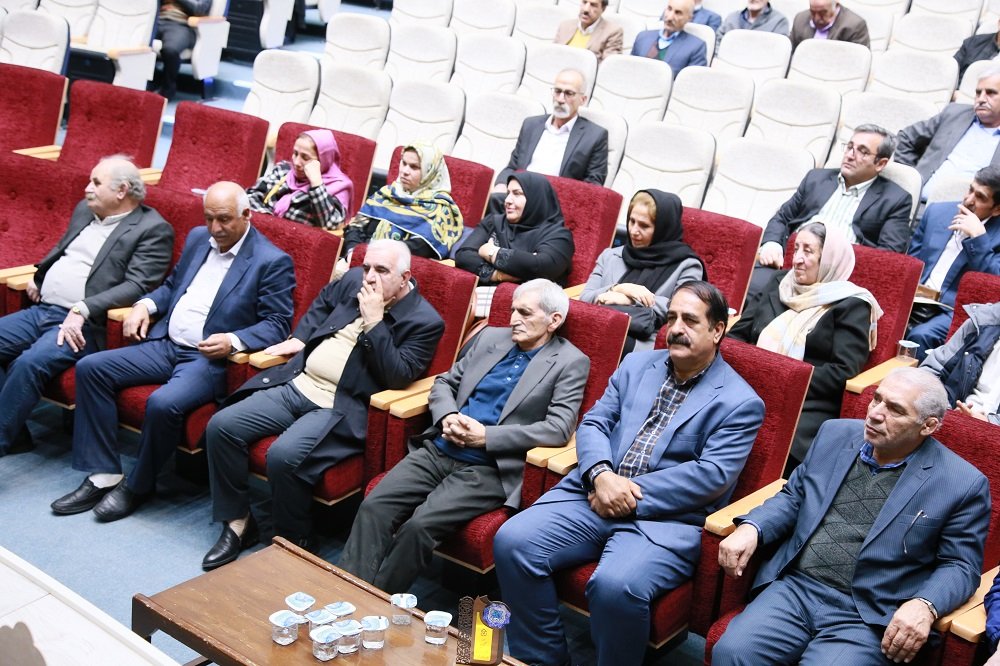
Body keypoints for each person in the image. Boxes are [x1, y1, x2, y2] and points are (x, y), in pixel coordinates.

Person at [495, 281, 765, 666]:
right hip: (592, 494)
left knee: (614, 586)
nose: (676, 328)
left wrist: (625, 494)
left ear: (718, 329)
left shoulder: (740, 402)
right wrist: (601, 476)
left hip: (664, 520)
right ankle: (543, 660)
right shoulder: (636, 365)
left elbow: (712, 475)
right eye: (672, 317)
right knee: (512, 541)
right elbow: (594, 423)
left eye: (690, 320)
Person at [50, 182, 295, 522]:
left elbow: (278, 324)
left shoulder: (271, 261)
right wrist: (145, 305)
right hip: (165, 344)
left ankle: (138, 486)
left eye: (224, 219)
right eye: (209, 218)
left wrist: (233, 340)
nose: (215, 228)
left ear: (247, 214)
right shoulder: (198, 238)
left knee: (162, 403)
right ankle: (104, 473)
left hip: (207, 359)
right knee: (92, 368)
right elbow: (172, 286)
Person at [713, 368, 990, 665]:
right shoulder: (835, 434)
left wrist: (925, 604)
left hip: (867, 614)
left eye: (895, 409)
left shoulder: (961, 483)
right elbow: (795, 496)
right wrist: (753, 527)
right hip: (796, 588)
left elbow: (960, 565)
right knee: (733, 653)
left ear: (928, 425)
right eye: (877, 399)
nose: (875, 414)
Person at [200, 239, 444, 566]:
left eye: (381, 271)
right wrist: (300, 338)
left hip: (340, 406)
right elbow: (324, 300)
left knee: (284, 455)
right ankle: (238, 522)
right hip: (297, 384)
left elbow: (398, 376)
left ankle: (295, 538)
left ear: (405, 278)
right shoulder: (353, 281)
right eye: (367, 267)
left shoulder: (424, 321)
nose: (369, 277)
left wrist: (374, 323)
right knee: (222, 426)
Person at [338, 279, 589, 592]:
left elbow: (559, 428)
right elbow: (445, 383)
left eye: (525, 313)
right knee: (374, 506)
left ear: (554, 320)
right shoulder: (490, 337)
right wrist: (447, 415)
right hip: (440, 448)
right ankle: (345, 595)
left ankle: (375, 602)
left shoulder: (570, 362)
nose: (513, 319)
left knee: (419, 526)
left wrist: (487, 437)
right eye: (513, 310)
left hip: (489, 468)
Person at [0, 157, 173, 456]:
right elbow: (62, 249)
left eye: (96, 183)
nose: (87, 188)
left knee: (29, 363)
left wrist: (83, 308)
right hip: (43, 309)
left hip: (86, 325)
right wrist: (41, 276)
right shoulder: (86, 210)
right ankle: (15, 436)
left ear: (121, 190)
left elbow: (138, 285)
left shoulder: (153, 229)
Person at [731, 222, 882, 464]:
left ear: (829, 259)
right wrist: (755, 372)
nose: (797, 259)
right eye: (796, 249)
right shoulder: (780, 282)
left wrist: (782, 380)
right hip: (749, 382)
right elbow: (737, 335)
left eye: (808, 251)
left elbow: (842, 371)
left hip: (805, 401)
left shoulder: (852, 304)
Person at [750, 124, 912, 297]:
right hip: (789, 265)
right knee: (749, 287)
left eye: (862, 151)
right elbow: (782, 218)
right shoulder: (816, 179)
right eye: (849, 147)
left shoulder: (895, 199)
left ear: (880, 163)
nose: (850, 155)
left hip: (837, 282)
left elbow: (888, 257)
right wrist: (772, 243)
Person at [580, 189, 704, 353]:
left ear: (662, 228)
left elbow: (680, 308)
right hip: (597, 328)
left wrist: (629, 300)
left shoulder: (687, 265)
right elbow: (585, 298)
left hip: (642, 342)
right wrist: (619, 288)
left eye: (644, 225)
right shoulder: (610, 255)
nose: (633, 231)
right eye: (632, 221)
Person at [907, 166, 1000, 357]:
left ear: (997, 209)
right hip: (916, 297)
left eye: (980, 197)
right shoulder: (937, 212)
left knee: (921, 335)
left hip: (954, 309)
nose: (969, 200)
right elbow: (911, 262)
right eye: (971, 190)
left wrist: (978, 238)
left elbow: (994, 285)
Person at [456, 173, 574, 317]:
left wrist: (491, 252)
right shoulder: (494, 222)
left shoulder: (559, 236)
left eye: (517, 194)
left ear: (536, 199)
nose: (507, 200)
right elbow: (463, 256)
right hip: (479, 303)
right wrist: (498, 275)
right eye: (508, 193)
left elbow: (541, 266)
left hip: (528, 314)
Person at [343, 142, 463, 260]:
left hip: (394, 267)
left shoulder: (440, 208)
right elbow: (355, 228)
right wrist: (352, 251)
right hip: (356, 258)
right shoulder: (387, 193)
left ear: (430, 173)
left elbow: (420, 248)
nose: (405, 171)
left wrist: (372, 257)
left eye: (414, 167)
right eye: (404, 163)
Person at [896, 66, 1000, 199]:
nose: (981, 99)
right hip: (917, 202)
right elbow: (906, 137)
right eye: (978, 93)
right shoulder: (954, 114)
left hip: (971, 209)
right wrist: (910, 179)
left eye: (990, 93)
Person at [494, 69, 609, 189]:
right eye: (557, 91)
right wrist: (501, 184)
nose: (560, 99)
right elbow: (513, 166)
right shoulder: (531, 125)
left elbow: (592, 187)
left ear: (583, 100)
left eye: (569, 93)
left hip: (556, 197)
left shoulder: (595, 136)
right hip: (519, 191)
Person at [247, 129, 353, 231]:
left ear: (324, 160)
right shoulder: (284, 170)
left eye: (305, 158)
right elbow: (250, 196)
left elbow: (329, 223)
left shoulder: (339, 186)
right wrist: (268, 221)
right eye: (295, 153)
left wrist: (316, 184)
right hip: (262, 233)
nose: (296, 162)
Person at [922, 300, 1000, 424]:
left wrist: (989, 422)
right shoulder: (982, 321)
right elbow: (933, 369)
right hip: (949, 412)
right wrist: (946, 411)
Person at [631, 0, 709, 78]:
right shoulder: (643, 37)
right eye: (669, 9)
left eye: (678, 13)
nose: (670, 17)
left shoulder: (696, 47)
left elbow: (692, 82)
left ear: (689, 18)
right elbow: (629, 69)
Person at [155, 1, 210, 99]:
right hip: (155, 19)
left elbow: (199, 9)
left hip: (182, 25)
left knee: (170, 50)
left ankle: (168, 88)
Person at [554, 0, 624, 63]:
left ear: (603, 8)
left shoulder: (613, 32)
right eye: (584, 2)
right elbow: (553, 54)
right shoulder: (565, 26)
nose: (586, 9)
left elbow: (608, 66)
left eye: (593, 5)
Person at [789, 0, 870, 50]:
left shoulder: (854, 26)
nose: (817, 18)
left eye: (823, 13)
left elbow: (858, 64)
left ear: (836, 5)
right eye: (813, 12)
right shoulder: (800, 19)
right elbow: (790, 53)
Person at [716, 0, 789, 51]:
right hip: (728, 64)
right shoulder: (732, 18)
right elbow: (717, 43)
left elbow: (778, 53)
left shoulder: (779, 22)